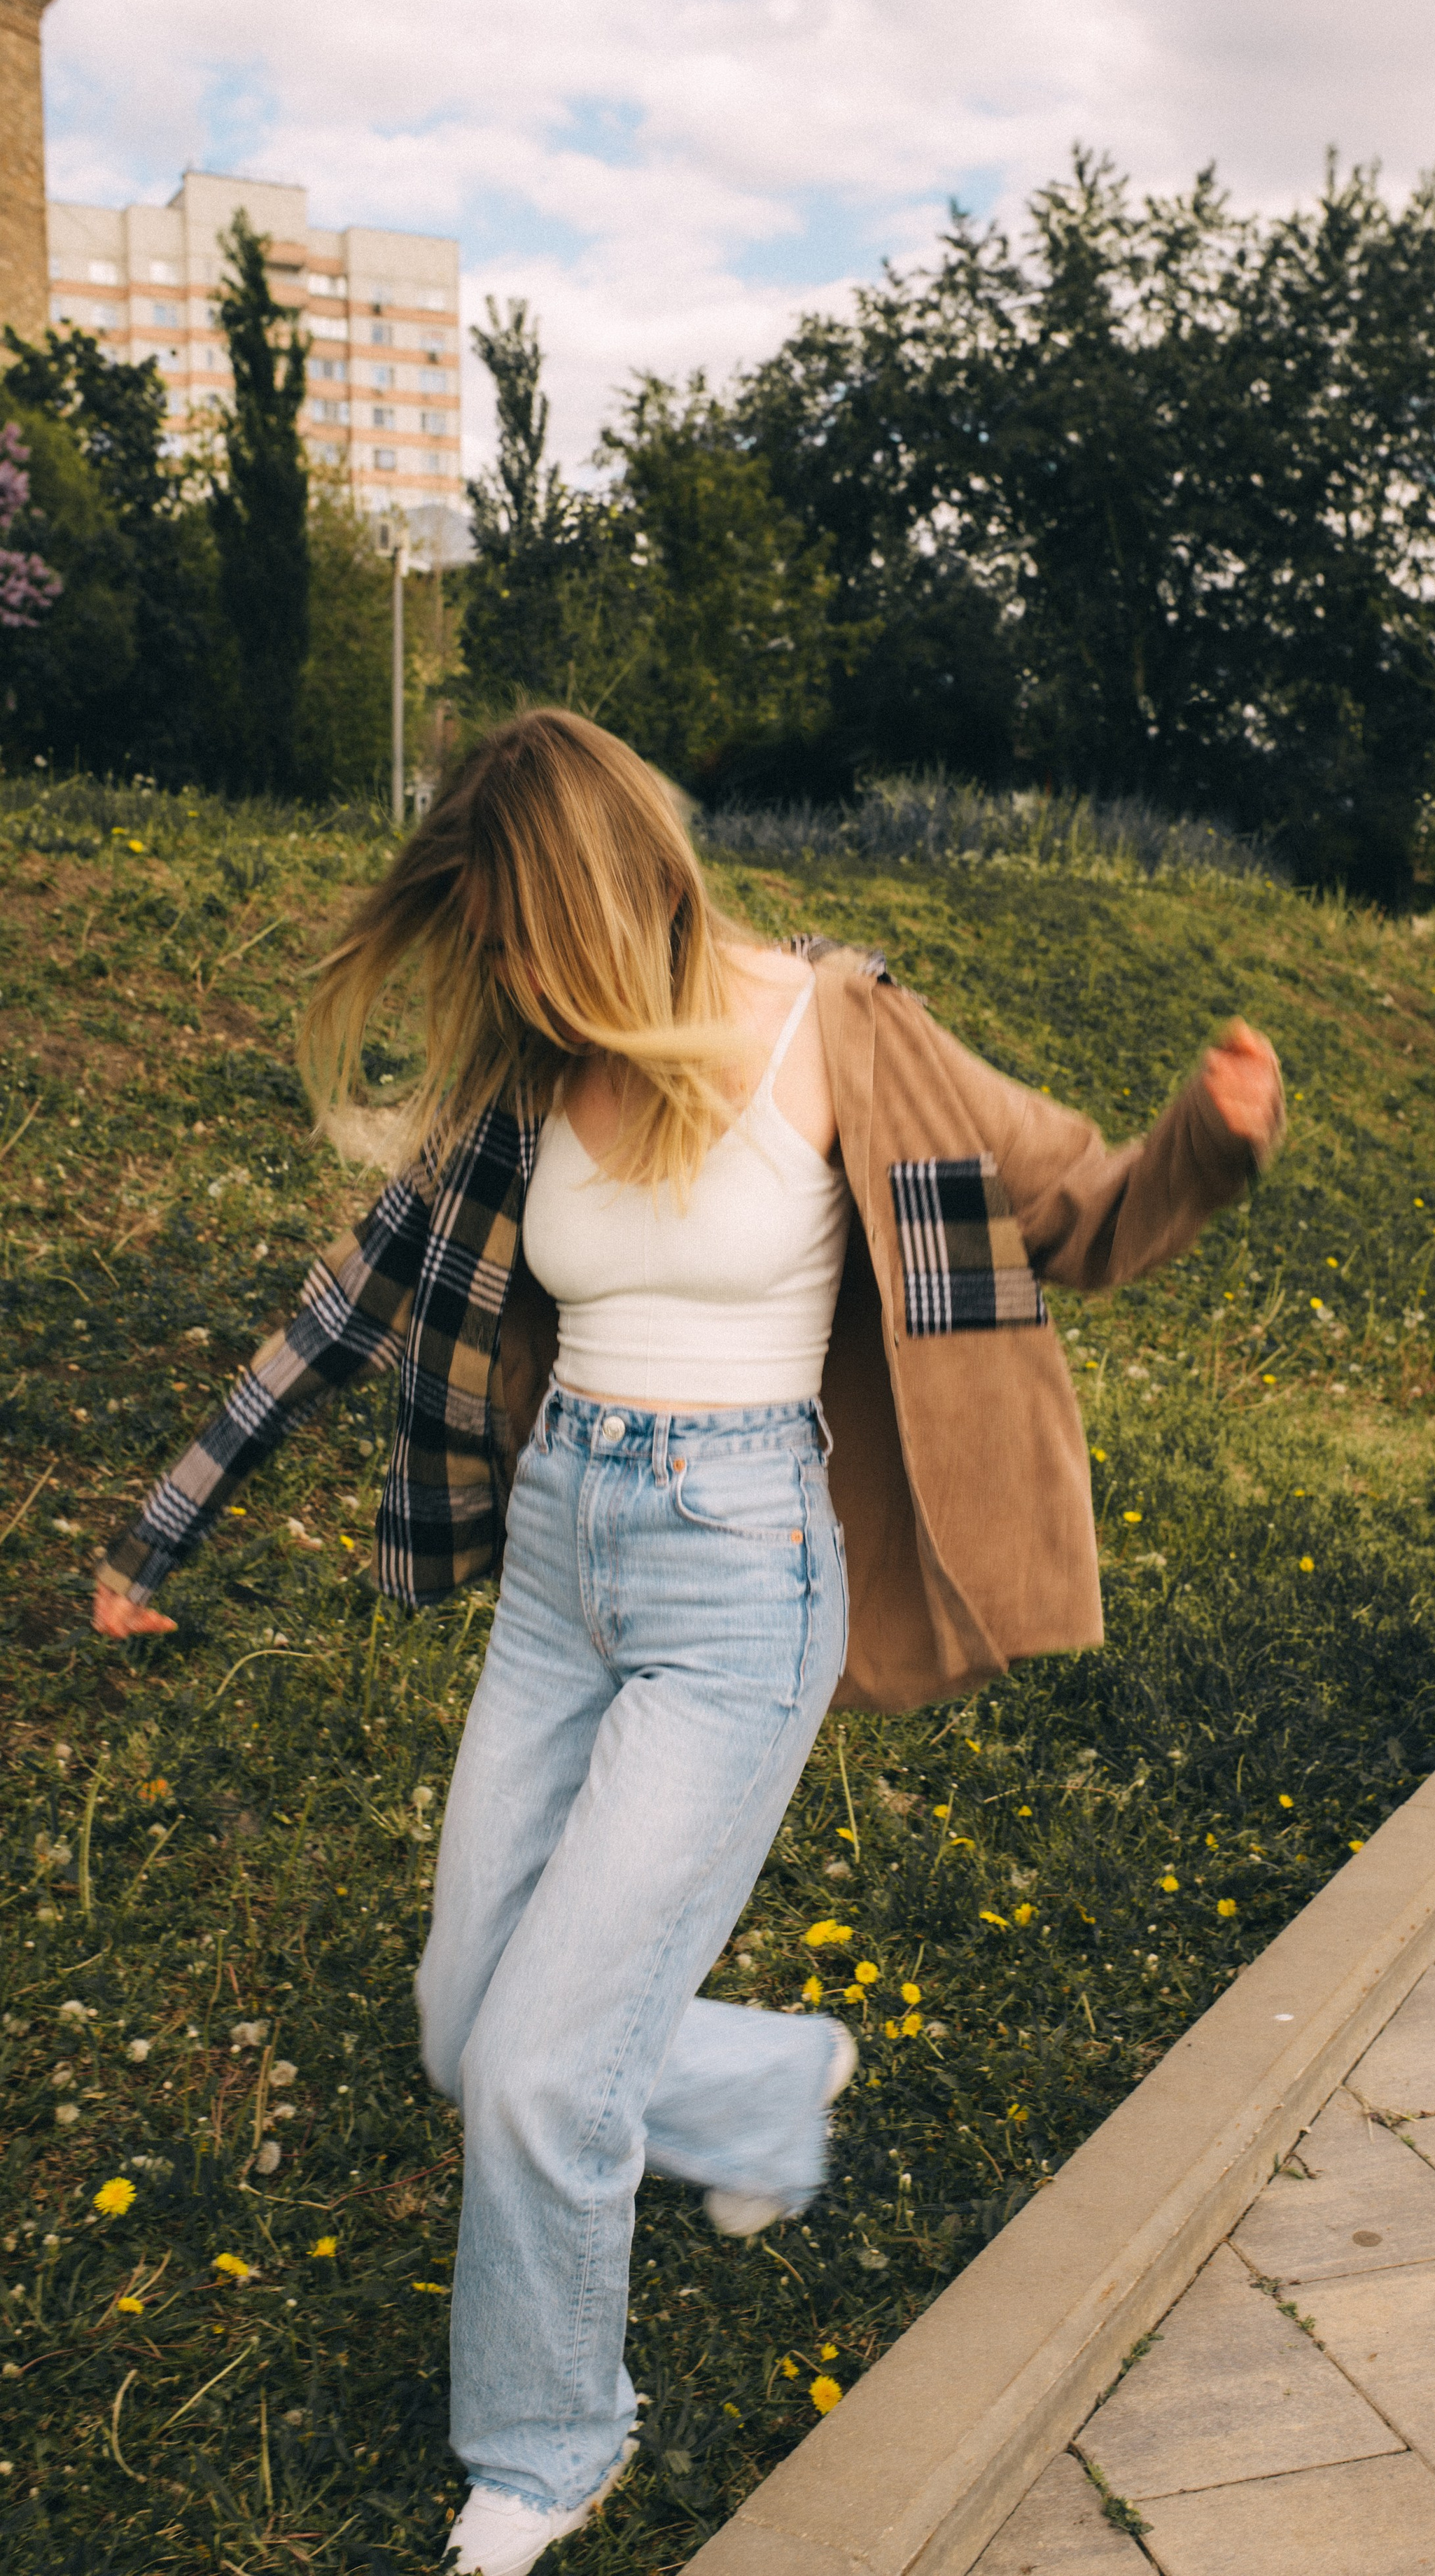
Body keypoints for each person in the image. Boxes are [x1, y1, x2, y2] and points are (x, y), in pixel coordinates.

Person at [92, 708, 1284, 2576]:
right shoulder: (533, 1073)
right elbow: (355, 1295)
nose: (497, 970)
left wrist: (1206, 1144)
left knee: (543, 2071)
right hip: (564, 1556)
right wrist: (162, 1524)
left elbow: (1077, 1208)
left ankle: (552, 2450)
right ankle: (758, 2085)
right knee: (465, 2025)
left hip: (742, 1580)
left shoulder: (842, 1036)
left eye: (512, 929)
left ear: (593, 892)